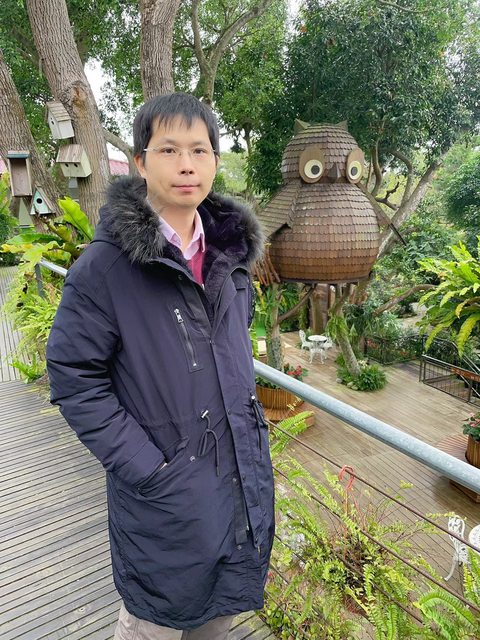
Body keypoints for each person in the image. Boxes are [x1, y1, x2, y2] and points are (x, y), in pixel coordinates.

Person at [46, 92, 275, 640]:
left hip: (236, 490)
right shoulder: (105, 269)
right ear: (142, 163)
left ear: (215, 161)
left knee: (219, 620)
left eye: (199, 150)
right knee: (153, 625)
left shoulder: (231, 259)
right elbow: (74, 378)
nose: (186, 165)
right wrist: (149, 469)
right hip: (162, 504)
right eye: (169, 150)